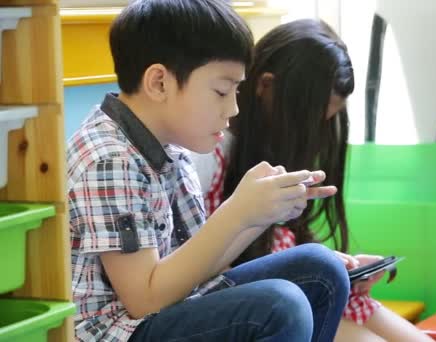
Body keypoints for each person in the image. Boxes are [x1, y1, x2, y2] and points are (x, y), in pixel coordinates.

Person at [67, 1, 350, 341]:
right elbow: (144, 299)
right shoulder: (110, 159)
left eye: (236, 91)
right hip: (120, 331)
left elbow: (198, 268)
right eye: (221, 91)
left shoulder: (170, 146)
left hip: (169, 308)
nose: (232, 108)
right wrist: (236, 213)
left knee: (321, 268)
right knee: (281, 305)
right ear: (159, 83)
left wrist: (258, 215)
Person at [193, 19, 434, 342]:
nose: (316, 138)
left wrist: (340, 267)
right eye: (310, 122)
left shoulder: (273, 146)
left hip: (301, 291)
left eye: (327, 123)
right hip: (260, 304)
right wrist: (309, 266)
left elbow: (284, 240)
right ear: (266, 87)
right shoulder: (210, 155)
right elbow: (201, 272)